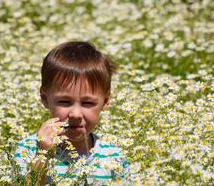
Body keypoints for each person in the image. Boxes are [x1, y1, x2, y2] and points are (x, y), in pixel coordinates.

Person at [14, 41, 132, 185]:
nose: (75, 114)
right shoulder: (28, 150)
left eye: (88, 103)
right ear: (45, 98)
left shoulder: (113, 156)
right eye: (64, 101)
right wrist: (43, 154)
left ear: (105, 101)